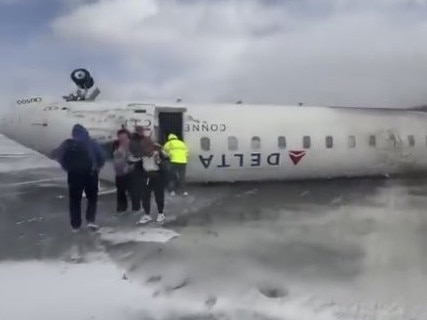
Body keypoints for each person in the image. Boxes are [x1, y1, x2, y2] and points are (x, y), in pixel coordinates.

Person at [54, 124, 106, 232]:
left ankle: (75, 225)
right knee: (92, 198)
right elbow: (102, 156)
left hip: (74, 175)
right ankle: (90, 220)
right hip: (90, 174)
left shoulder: (68, 144)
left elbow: (59, 155)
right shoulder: (91, 143)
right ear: (85, 132)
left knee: (75, 200)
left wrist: (67, 167)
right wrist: (97, 167)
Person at [138, 139, 169, 224]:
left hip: (157, 176)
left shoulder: (158, 153)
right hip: (147, 176)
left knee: (158, 194)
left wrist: (158, 160)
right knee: (145, 195)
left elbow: (165, 162)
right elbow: (139, 166)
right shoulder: (142, 155)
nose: (145, 149)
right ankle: (147, 214)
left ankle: (160, 213)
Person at [127, 125, 152, 213]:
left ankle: (136, 206)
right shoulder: (143, 140)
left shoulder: (131, 140)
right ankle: (141, 206)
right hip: (141, 164)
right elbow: (147, 152)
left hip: (135, 164)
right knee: (142, 186)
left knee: (135, 187)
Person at [112, 128, 132, 214]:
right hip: (119, 173)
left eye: (124, 138)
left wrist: (129, 167)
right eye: (120, 137)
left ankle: (137, 207)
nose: (122, 139)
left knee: (132, 191)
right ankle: (121, 209)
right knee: (120, 191)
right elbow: (115, 157)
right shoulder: (116, 145)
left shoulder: (132, 146)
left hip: (130, 172)